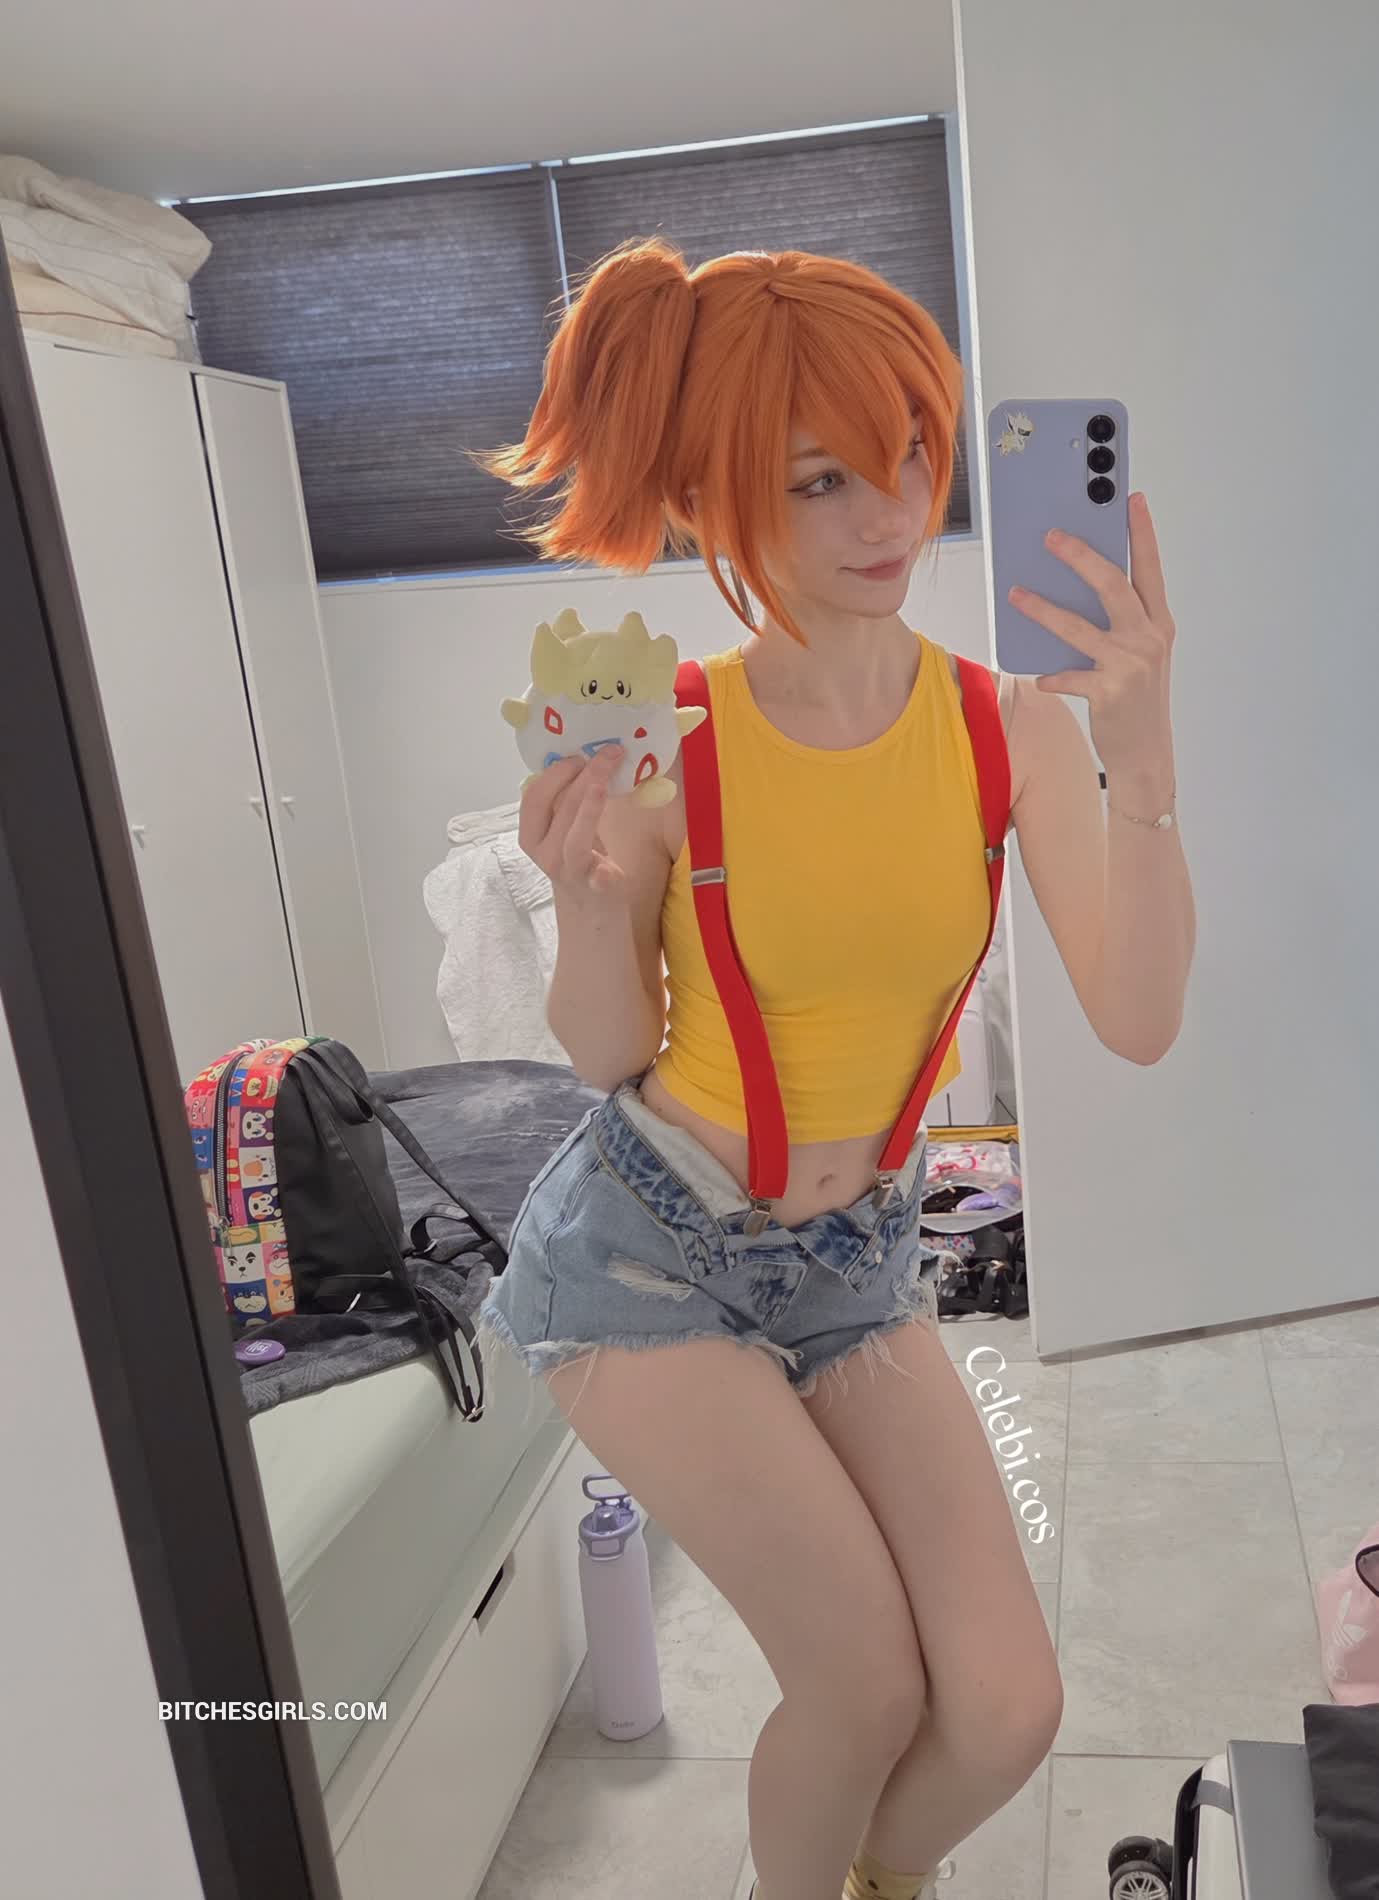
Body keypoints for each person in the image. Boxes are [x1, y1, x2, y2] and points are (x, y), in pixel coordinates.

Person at [476, 238, 1195, 1900]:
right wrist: (584, 897)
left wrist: (1142, 755)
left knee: (1006, 1709)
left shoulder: (1007, 728)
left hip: (857, 1255)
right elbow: (606, 1051)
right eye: (820, 481)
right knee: (863, 1680)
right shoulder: (671, 734)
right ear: (715, 498)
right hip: (649, 1252)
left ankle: (869, 1875)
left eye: (913, 456)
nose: (890, 515)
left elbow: (1139, 1014)